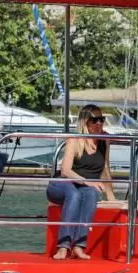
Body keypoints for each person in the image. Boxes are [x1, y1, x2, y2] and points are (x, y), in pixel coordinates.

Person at [46, 105, 116, 260]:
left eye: (101, 120)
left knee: (92, 195)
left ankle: (79, 246)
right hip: (62, 184)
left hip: (83, 187)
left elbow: (105, 168)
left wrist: (111, 196)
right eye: (94, 120)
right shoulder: (75, 139)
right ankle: (63, 247)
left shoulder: (104, 141)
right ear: (85, 122)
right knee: (74, 194)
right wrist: (89, 182)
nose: (99, 123)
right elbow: (65, 171)